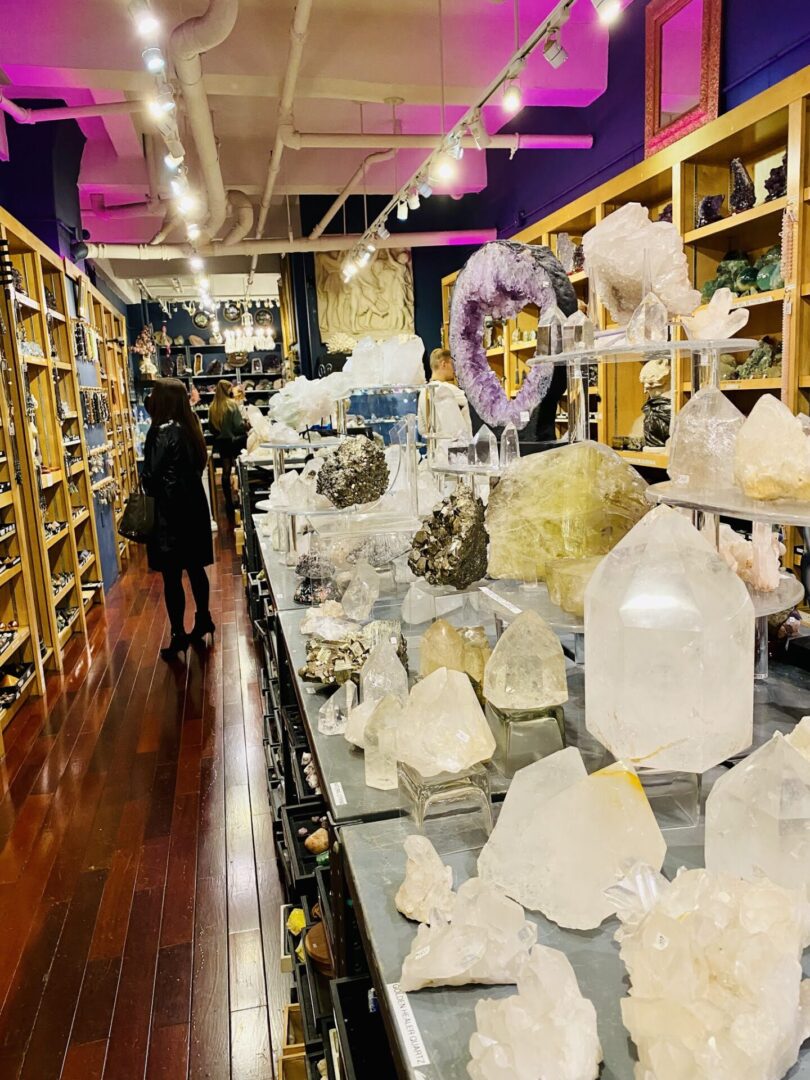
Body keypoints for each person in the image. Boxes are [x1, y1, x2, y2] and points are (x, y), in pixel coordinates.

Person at [142, 378, 215, 660]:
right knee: (196, 568)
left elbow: (151, 475)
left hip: (169, 513)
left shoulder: (160, 431)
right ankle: (204, 618)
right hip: (194, 506)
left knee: (172, 576)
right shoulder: (191, 426)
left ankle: (178, 634)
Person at [417, 347, 472, 459]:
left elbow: (422, 429)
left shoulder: (423, 393)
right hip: (454, 457)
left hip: (434, 456)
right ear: (443, 364)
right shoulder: (451, 391)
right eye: (452, 365)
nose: (454, 370)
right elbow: (461, 429)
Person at [208, 379, 247, 517]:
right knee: (239, 468)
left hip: (221, 443)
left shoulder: (212, 407)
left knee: (226, 472)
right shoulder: (232, 405)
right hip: (234, 441)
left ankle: (228, 502)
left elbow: (211, 428)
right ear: (226, 390)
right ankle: (240, 498)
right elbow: (238, 425)